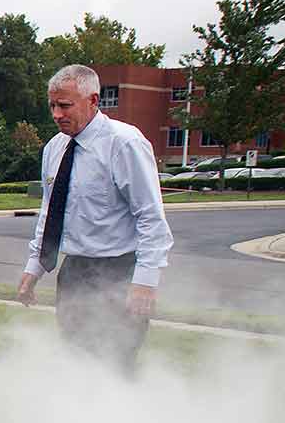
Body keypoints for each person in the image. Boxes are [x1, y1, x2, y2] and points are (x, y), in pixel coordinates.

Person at [16, 64, 172, 373]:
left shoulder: (124, 144)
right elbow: (51, 214)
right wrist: (34, 267)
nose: (57, 114)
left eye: (65, 105)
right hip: (75, 270)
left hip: (119, 271)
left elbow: (151, 217)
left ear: (93, 100)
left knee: (116, 363)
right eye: (52, 106)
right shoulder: (54, 148)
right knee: (75, 359)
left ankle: (126, 419)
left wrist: (144, 281)